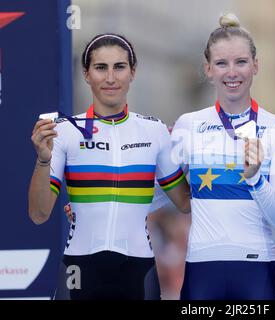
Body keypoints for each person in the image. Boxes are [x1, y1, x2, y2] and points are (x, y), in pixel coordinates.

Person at [28, 33, 191, 300]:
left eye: (119, 67)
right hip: (80, 268)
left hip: (138, 269)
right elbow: (38, 213)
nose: (111, 78)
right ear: (86, 74)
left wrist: (198, 158)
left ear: (133, 72)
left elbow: (184, 203)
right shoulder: (65, 132)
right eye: (101, 67)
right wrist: (43, 160)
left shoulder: (155, 131)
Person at [171, 13, 275, 300]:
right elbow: (161, 191)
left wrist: (255, 178)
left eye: (241, 62)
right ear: (208, 69)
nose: (232, 72)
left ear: (256, 66)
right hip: (202, 269)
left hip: (256, 270)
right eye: (221, 63)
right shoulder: (187, 125)